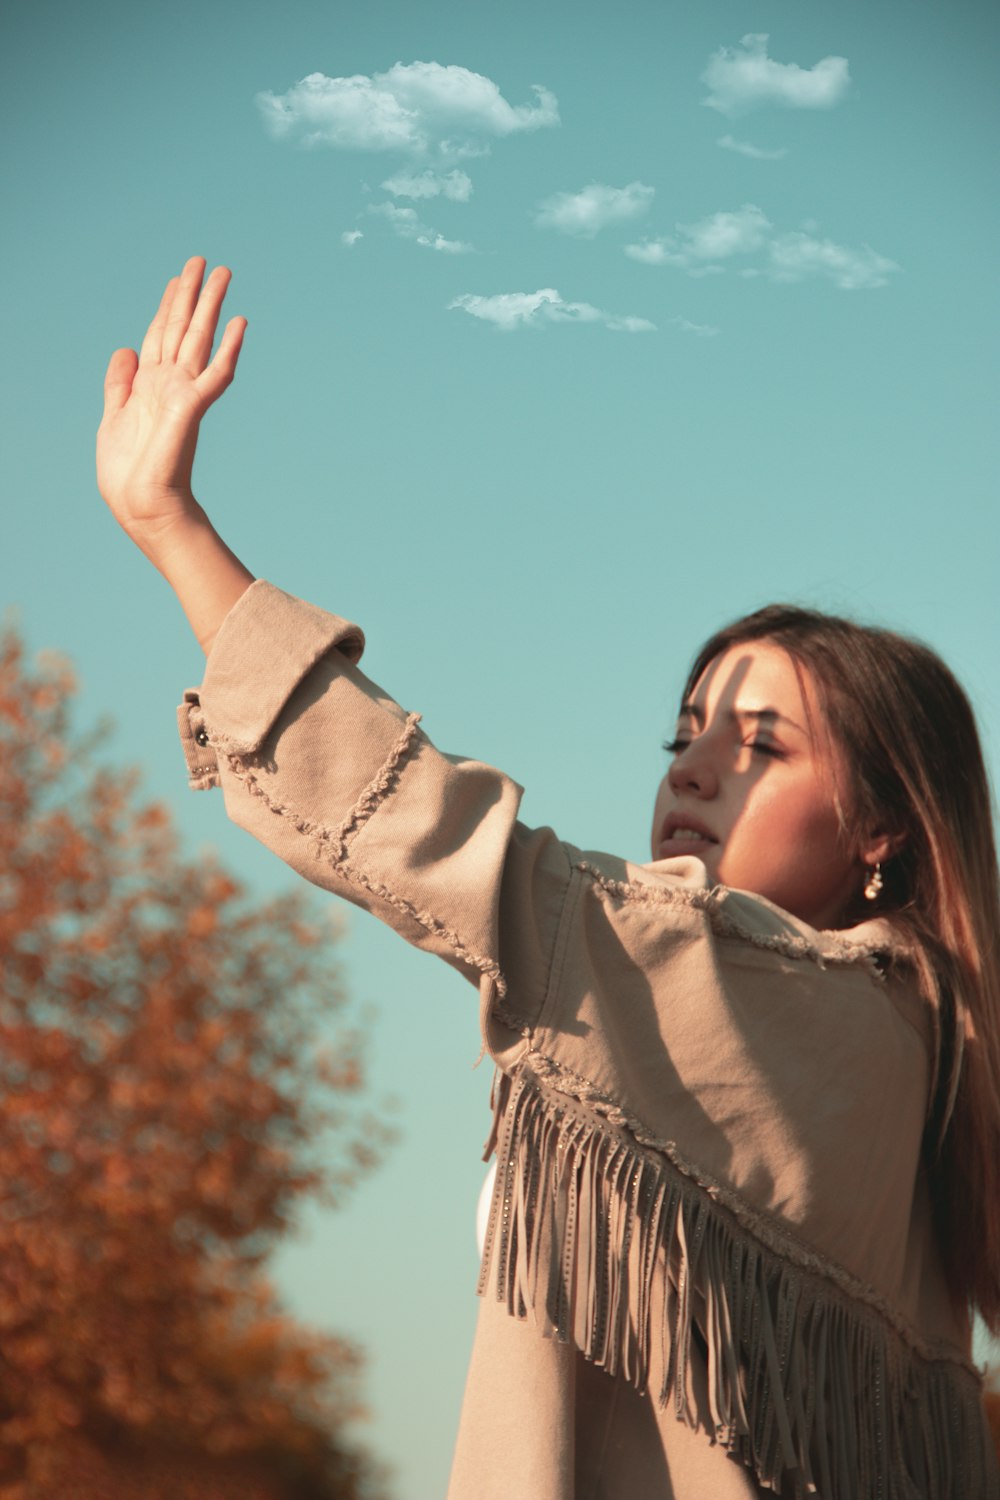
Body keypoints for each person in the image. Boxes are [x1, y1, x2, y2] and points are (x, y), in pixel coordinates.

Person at [97, 258, 1000, 1499]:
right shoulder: (926, 1064)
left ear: (884, 829)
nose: (690, 770)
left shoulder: (750, 994)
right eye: (682, 734)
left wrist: (172, 530)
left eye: (759, 745)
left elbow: (450, 840)